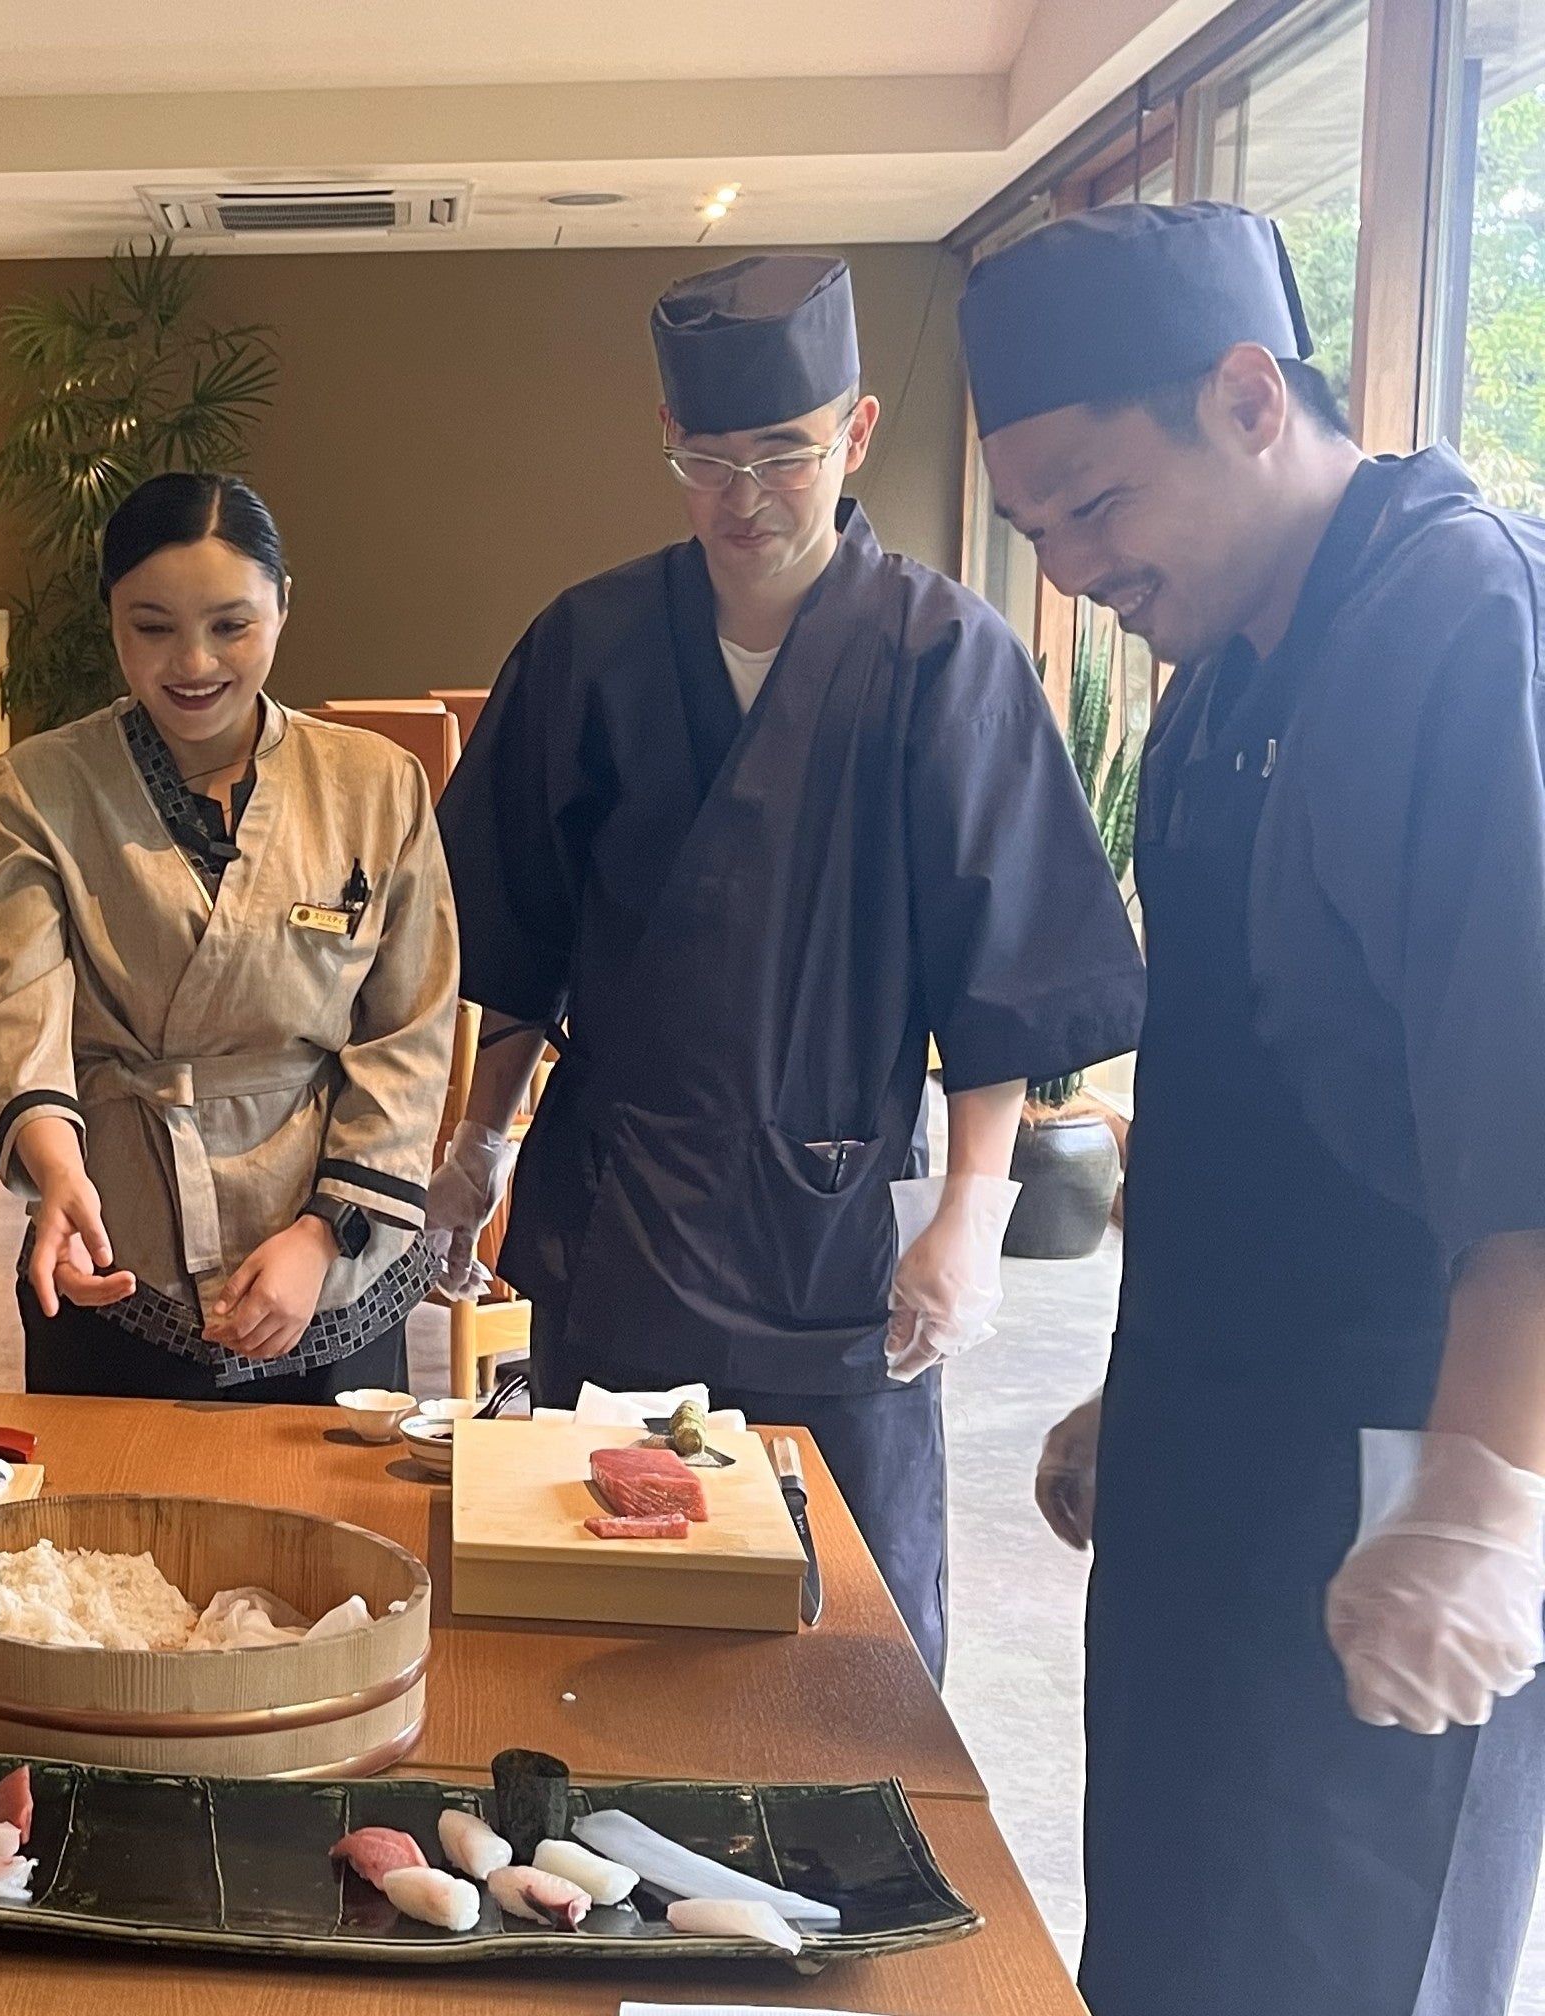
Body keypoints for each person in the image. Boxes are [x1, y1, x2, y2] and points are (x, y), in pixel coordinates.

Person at [968, 202, 1545, 2016]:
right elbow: (1239, 1084)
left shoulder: (1456, 618)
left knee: (1339, 1945)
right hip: (1220, 1453)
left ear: (1243, 398)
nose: (1075, 569)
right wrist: (1145, 1386)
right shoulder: (1221, 672)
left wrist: (1482, 1497)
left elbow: (1518, 1113)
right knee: (1174, 1925)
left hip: (1401, 1440)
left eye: (1095, 506)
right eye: (1036, 533)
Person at [432, 254, 1144, 1678]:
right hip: (623, 1205)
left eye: (782, 454)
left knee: (844, 1625)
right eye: (707, 460)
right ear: (667, 439)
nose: (743, 496)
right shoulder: (589, 645)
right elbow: (518, 925)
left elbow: (1001, 965)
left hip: (838, 1221)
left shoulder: (945, 654)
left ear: (856, 432)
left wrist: (970, 1213)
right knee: (606, 1592)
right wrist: (480, 1142)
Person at [0, 473, 458, 1401]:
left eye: (232, 626)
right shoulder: (38, 788)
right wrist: (58, 1177)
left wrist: (323, 1237)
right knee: (110, 1495)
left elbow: (410, 1034)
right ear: (112, 617)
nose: (192, 662)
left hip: (326, 1252)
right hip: (113, 1241)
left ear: (283, 606)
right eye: (152, 627)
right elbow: (10, 1011)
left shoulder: (376, 785)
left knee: (318, 1496)